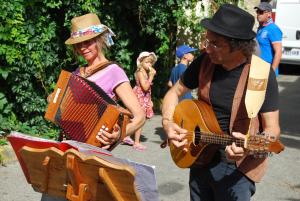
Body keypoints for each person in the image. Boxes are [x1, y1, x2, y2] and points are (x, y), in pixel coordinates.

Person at [161, 4, 280, 201]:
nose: (207, 48)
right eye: (207, 40)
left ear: (238, 46)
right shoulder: (204, 61)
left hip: (237, 170)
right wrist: (168, 123)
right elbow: (174, 93)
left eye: (215, 43)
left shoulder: (261, 74)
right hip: (199, 157)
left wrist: (249, 147)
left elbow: (272, 130)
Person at [42, 13, 145, 200]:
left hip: (92, 154)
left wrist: (119, 134)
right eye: (78, 44)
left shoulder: (113, 71)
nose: (82, 47)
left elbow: (140, 116)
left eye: (88, 42)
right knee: (52, 194)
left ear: (99, 40)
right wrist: (54, 101)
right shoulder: (76, 73)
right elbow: (63, 109)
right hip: (67, 148)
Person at [123, 51, 157, 151]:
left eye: (151, 63)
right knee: (140, 120)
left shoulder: (145, 73)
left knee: (136, 119)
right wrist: (151, 76)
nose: (149, 65)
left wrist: (150, 100)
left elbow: (147, 90)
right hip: (140, 97)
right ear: (141, 62)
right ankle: (136, 142)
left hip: (144, 97)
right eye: (147, 62)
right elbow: (145, 87)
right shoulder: (140, 73)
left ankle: (126, 136)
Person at [255, 2, 282, 76]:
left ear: (269, 14)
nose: (258, 14)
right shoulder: (261, 28)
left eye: (261, 12)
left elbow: (278, 52)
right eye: (257, 12)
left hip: (267, 70)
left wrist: (272, 72)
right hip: (258, 69)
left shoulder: (273, 29)